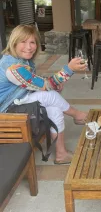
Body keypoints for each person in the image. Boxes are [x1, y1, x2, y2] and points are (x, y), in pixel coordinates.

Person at [0, 25, 88, 164]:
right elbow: (45, 86)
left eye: (32, 42)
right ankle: (78, 116)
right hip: (7, 111)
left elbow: (36, 83)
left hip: (18, 102)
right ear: (14, 43)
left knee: (55, 108)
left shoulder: (22, 61)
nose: (29, 47)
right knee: (49, 96)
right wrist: (69, 69)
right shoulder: (13, 68)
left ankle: (61, 154)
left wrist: (51, 84)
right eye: (23, 42)